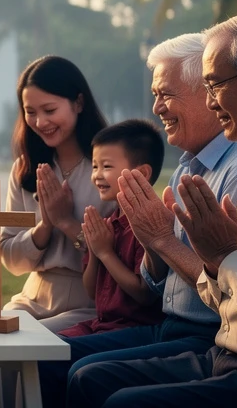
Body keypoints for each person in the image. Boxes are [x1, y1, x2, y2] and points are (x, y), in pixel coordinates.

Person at [71, 12, 237, 407]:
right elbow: (223, 294)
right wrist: (211, 261)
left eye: (215, 85)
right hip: (226, 354)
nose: (211, 101)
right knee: (89, 379)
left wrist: (222, 255)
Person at [43, 33, 237, 407]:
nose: (156, 107)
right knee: (48, 358)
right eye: (155, 95)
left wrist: (162, 241)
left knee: (82, 374)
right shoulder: (186, 166)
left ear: (207, 92)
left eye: (166, 94)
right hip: (166, 324)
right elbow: (156, 283)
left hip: (205, 333)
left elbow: (232, 291)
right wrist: (151, 242)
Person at [1, 55, 114, 330]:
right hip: (33, 294)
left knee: (28, 341)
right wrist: (45, 226)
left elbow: (119, 254)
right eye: (30, 112)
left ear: (78, 103)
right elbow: (11, 259)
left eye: (49, 110)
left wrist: (66, 222)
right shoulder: (25, 170)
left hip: (90, 298)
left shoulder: (108, 169)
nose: (40, 122)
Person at [57, 119, 165, 339]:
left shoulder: (150, 224)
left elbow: (145, 294)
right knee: (47, 346)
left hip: (135, 329)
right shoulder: (108, 221)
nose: (96, 175)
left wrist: (105, 253)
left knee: (54, 355)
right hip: (102, 324)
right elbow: (92, 292)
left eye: (106, 166)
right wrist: (96, 252)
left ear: (142, 173)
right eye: (95, 166)